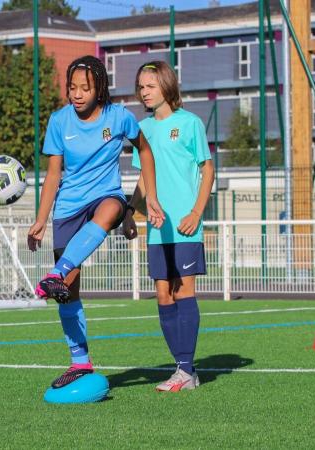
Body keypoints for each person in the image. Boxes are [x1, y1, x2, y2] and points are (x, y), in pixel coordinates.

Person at [27, 55, 164, 389]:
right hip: (68, 207)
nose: (77, 94)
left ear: (99, 88)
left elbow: (144, 151)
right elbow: (54, 173)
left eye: (84, 88)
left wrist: (146, 201)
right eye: (72, 87)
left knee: (109, 211)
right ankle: (80, 363)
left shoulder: (119, 118)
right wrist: (41, 219)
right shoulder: (59, 122)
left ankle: (55, 274)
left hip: (108, 195)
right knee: (67, 293)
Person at [123, 60, 214, 392]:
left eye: (149, 85)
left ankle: (185, 370)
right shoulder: (143, 130)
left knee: (183, 290)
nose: (143, 92)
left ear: (165, 84)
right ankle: (183, 369)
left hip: (186, 224)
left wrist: (196, 213)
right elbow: (145, 181)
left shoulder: (189, 123)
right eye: (140, 87)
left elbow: (208, 170)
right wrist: (131, 212)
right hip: (157, 226)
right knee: (163, 293)